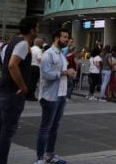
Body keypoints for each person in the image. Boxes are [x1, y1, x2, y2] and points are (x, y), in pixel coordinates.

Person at [0, 16, 38, 164]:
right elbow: (12, 65)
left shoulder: (15, 41)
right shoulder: (23, 43)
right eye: (37, 27)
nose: (38, 30)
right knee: (7, 132)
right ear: (32, 29)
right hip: (12, 93)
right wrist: (23, 87)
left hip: (5, 91)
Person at [35, 28, 76, 164]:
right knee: (45, 127)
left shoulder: (60, 54)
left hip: (61, 95)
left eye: (67, 37)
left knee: (54, 127)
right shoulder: (49, 54)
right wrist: (64, 73)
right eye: (64, 37)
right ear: (56, 38)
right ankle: (40, 158)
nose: (66, 40)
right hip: (50, 96)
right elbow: (46, 74)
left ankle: (50, 154)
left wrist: (69, 73)